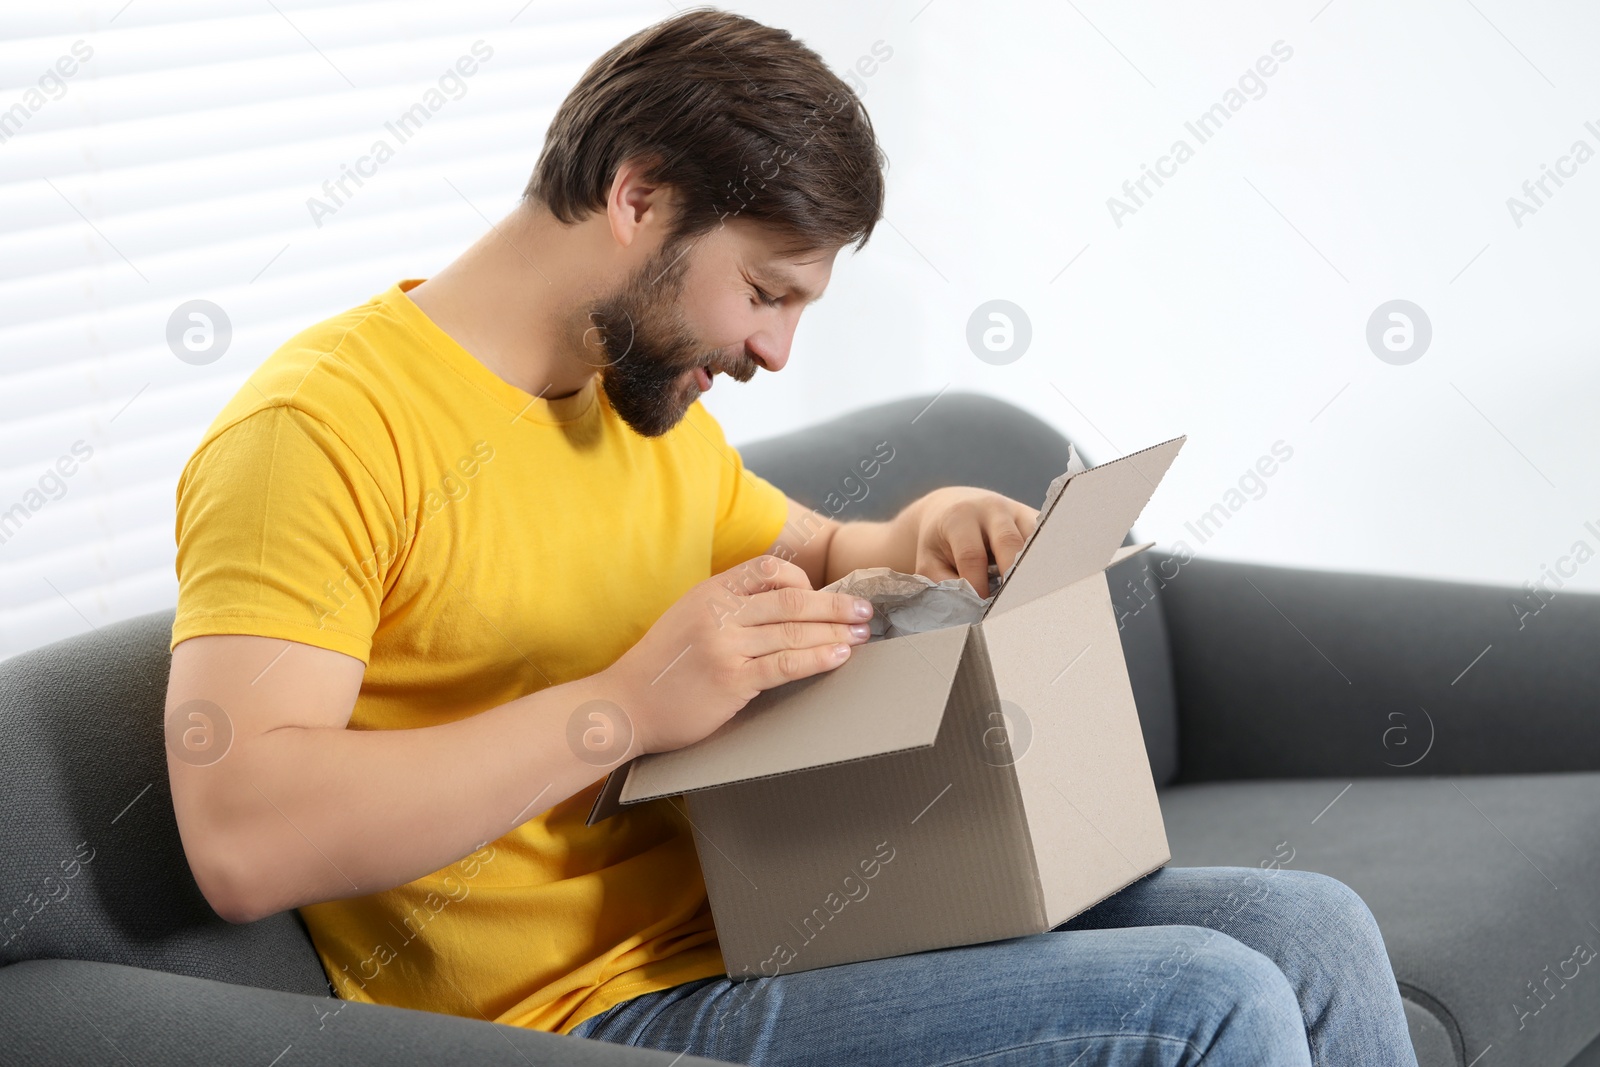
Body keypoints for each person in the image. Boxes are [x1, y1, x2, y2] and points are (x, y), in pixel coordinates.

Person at [163, 8, 1419, 1064]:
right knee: (1211, 1001)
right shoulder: (319, 429)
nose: (773, 349)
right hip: (590, 1015)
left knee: (1310, 928)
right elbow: (242, 835)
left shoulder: (633, 398)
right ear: (637, 196)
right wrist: (625, 706)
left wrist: (924, 528)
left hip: (785, 911)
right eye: (765, 292)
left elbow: (821, 547)